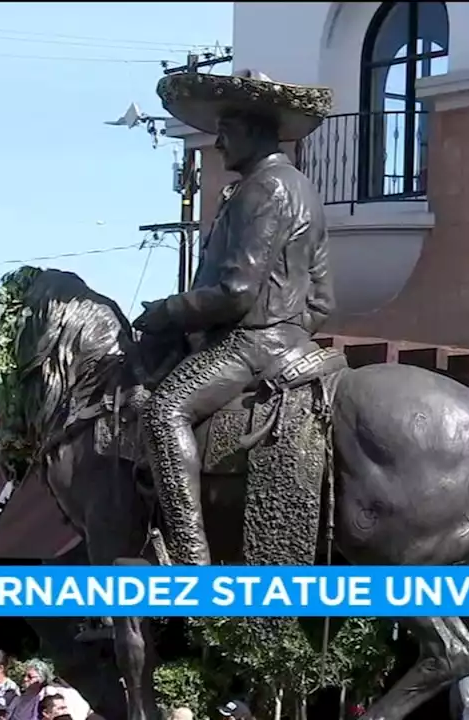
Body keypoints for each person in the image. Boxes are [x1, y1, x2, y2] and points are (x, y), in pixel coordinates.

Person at [136, 68, 335, 566]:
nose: (219, 142)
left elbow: (235, 292)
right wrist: (292, 335)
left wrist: (166, 312)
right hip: (291, 340)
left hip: (250, 343)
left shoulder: (263, 189)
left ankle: (189, 560)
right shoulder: (302, 187)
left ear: (253, 130)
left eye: (226, 130)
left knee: (164, 411)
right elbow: (322, 300)